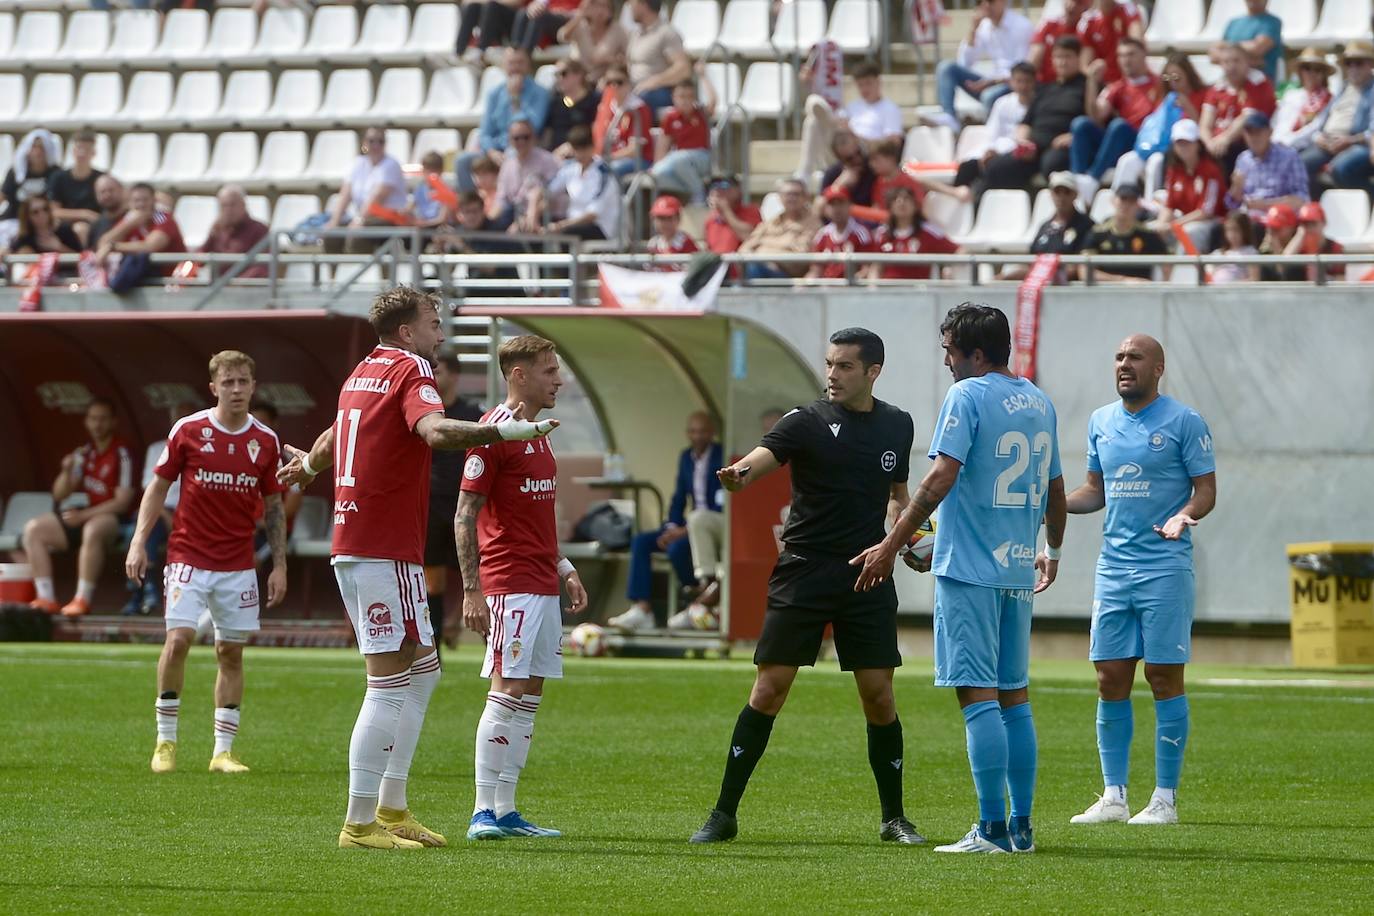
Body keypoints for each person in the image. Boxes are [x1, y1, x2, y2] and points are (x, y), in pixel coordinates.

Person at [277, 287, 559, 850]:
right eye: (434, 322)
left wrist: (308, 465)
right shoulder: (412, 369)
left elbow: (338, 435)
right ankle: (360, 824)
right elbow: (433, 431)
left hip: (359, 542)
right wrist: (498, 431)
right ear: (407, 331)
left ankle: (393, 806)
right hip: (382, 545)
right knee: (387, 684)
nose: (442, 332)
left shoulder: (361, 372)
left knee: (424, 670)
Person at [689, 328, 922, 847]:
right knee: (769, 690)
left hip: (868, 572)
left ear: (872, 372)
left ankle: (894, 818)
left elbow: (898, 495)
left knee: (879, 697)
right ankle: (723, 813)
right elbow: (760, 459)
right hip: (804, 570)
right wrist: (739, 473)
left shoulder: (897, 425)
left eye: (843, 366)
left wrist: (911, 538)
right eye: (829, 364)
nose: (832, 375)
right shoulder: (806, 420)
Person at [851, 304, 1065, 855]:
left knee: (978, 698)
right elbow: (1056, 491)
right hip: (1017, 566)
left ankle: (991, 829)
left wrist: (890, 543)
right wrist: (1052, 551)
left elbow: (941, 475)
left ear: (974, 352)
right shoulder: (1038, 401)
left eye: (949, 349)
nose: (944, 360)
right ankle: (1021, 828)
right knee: (1014, 697)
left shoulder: (966, 395)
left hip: (970, 570)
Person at [1065, 334, 1216, 827]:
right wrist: (1051, 502)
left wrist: (1184, 516)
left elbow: (1206, 491)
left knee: (1163, 676)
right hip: (1113, 568)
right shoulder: (1101, 421)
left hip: (1165, 567)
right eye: (1119, 357)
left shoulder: (1184, 421)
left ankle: (1165, 799)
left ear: (1158, 368)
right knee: (1110, 676)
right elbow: (1094, 492)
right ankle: (1114, 796)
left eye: (1134, 358)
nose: (1124, 365)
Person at [125, 351, 288, 776]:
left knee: (229, 652)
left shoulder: (265, 441)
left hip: (238, 565)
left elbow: (274, 507)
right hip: (188, 557)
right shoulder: (189, 431)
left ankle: (223, 751)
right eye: (228, 382)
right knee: (178, 640)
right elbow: (157, 489)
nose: (237, 389)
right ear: (214, 387)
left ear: (254, 386)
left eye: (244, 382)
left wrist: (280, 565)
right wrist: (139, 542)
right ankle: (165, 741)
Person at [456, 335, 587, 840]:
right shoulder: (492, 433)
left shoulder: (540, 433)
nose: (559, 379)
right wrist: (473, 590)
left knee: (529, 692)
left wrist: (564, 565)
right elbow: (465, 515)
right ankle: (480, 812)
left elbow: (533, 513)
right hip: (508, 581)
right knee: (506, 688)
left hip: (540, 579)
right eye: (550, 370)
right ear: (519, 375)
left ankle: (506, 810)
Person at [22, 398, 135, 617]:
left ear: (113, 422)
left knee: (94, 527)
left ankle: (82, 599)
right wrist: (66, 471)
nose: (97, 424)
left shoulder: (122, 452)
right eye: (93, 419)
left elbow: (122, 503)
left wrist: (82, 515)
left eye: (103, 419)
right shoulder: (85, 453)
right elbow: (60, 493)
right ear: (86, 422)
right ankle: (46, 598)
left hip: (117, 520)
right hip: (88, 514)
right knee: (34, 529)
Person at [608, 411, 721, 632]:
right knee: (641, 541)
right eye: (693, 431)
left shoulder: (722, 456)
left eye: (703, 431)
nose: (698, 436)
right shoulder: (686, 457)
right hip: (687, 524)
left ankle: (696, 604)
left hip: (709, 527)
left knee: (677, 549)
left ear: (712, 433)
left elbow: (722, 504)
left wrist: (684, 531)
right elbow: (679, 498)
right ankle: (642, 609)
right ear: (687, 433)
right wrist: (671, 527)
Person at [424, 353, 484, 655]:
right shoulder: (426, 413)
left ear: (456, 375)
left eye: (440, 371)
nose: (434, 376)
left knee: (476, 572)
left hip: (467, 505)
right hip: (431, 506)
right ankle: (433, 652)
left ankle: (485, 643)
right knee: (432, 580)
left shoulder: (472, 413)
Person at [982, 36, 1088, 192]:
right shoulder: (1044, 89)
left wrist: (1075, 136)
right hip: (1034, 147)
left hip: (1061, 147)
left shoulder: (1087, 87)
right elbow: (1025, 123)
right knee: (996, 167)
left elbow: (1095, 122)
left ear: (1078, 58)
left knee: (1052, 165)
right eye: (1058, 57)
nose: (1063, 62)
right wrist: (1023, 142)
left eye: (1068, 56)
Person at [1071, 37, 1162, 200]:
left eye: (1131, 54)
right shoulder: (1117, 86)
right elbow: (1096, 115)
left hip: (1142, 142)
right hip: (1120, 144)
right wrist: (1091, 82)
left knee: (1118, 126)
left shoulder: (1159, 84)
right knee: (1081, 124)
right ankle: (1078, 181)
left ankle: (1092, 178)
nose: (1126, 60)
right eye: (1121, 56)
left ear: (1144, 54)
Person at [1110, 54, 1210, 200]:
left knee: (1155, 162)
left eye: (1177, 78)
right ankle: (1118, 203)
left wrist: (1187, 106)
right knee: (1127, 161)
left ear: (1188, 75)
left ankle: (1151, 204)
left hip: (1179, 147)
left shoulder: (1202, 95)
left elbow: (1202, 125)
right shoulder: (1164, 98)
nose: (1173, 83)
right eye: (1168, 78)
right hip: (1155, 145)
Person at [458, 49, 552, 194]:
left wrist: (515, 100)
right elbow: (485, 132)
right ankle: (474, 206)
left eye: (520, 63)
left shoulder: (540, 93)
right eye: (511, 63)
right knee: (463, 161)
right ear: (503, 66)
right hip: (496, 151)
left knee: (512, 156)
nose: (515, 68)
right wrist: (492, 152)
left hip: (521, 148)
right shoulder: (494, 94)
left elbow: (533, 127)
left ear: (528, 65)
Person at [931, 0, 1033, 133]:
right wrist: (973, 30)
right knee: (946, 68)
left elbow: (1022, 71)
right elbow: (964, 63)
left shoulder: (1022, 26)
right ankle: (950, 117)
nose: (985, 5)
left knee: (988, 95)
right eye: (980, 1)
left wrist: (991, 82)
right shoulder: (984, 26)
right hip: (991, 83)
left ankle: (991, 135)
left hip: (1013, 84)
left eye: (990, 1)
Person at [798, 62, 904, 179]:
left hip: (866, 151)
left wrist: (857, 137)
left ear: (878, 82)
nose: (864, 89)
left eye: (868, 84)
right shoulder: (853, 106)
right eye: (860, 85)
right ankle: (805, 172)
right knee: (813, 122)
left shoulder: (890, 109)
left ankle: (805, 173)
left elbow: (893, 143)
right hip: (841, 145)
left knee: (818, 113)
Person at [949, 63, 1038, 200]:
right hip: (997, 148)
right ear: (1012, 82)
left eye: (1027, 81)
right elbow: (992, 133)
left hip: (1017, 155)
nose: (1023, 86)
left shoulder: (1039, 105)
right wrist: (990, 150)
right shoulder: (1002, 103)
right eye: (1019, 81)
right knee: (967, 167)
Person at [1300, 42, 1374, 191]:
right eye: (1348, 63)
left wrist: (1350, 140)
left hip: (1357, 143)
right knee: (1299, 164)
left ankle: (1367, 204)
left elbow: (1372, 132)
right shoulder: (1344, 87)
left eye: (1358, 63)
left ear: (1370, 65)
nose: (1352, 68)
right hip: (1328, 142)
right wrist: (1318, 136)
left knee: (1339, 169)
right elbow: (1323, 120)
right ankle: (1318, 209)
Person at [529, 125, 621, 241]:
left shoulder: (604, 174)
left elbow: (592, 215)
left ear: (592, 147)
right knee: (537, 229)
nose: (579, 154)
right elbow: (548, 192)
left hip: (601, 228)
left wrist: (560, 226)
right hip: (572, 224)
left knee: (565, 233)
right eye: (576, 149)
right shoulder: (570, 170)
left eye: (583, 149)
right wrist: (533, 216)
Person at [323, 128, 407, 255]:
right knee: (332, 236)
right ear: (364, 143)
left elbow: (377, 198)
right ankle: (336, 274)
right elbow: (345, 195)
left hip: (387, 219)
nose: (376, 145)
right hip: (365, 219)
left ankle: (360, 273)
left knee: (357, 237)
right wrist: (334, 221)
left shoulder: (391, 164)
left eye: (381, 141)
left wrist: (359, 220)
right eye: (372, 141)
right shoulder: (358, 163)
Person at [1150, 120, 1226, 255]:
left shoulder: (1210, 171)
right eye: (1179, 143)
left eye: (1188, 142)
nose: (1183, 147)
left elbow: (1206, 211)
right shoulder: (1174, 170)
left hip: (1211, 222)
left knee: (1189, 232)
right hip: (1184, 219)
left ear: (1197, 143)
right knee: (1151, 229)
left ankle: (1184, 273)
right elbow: (1169, 205)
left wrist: (1175, 225)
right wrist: (1162, 224)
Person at [1199, 44, 1277, 174]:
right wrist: (1209, 143)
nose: (1231, 66)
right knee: (1179, 150)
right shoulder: (1217, 88)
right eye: (1226, 62)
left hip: (1244, 141)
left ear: (1247, 62)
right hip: (1216, 143)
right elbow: (1205, 123)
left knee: (1227, 153)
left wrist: (1224, 139)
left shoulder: (1258, 83)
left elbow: (1246, 117)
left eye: (1236, 61)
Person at [1001, 171, 1094, 280]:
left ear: (1075, 194)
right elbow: (1031, 258)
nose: (1061, 197)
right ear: (1051, 194)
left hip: (1066, 285)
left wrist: (1047, 276)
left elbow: (1080, 265)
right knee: (1005, 275)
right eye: (1057, 191)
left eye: (1067, 192)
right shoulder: (1044, 226)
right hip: (1038, 281)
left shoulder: (1086, 225)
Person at [92, 182, 187, 284]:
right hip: (144, 281)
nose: (141, 204)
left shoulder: (164, 218)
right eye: (136, 200)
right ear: (129, 203)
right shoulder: (130, 220)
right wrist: (129, 225)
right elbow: (102, 243)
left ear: (154, 201)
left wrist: (112, 247)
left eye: (145, 200)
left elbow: (150, 246)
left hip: (173, 280)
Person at [1226, 113, 1309, 224]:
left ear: (1270, 132)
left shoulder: (1289, 157)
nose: (1254, 138)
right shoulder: (1243, 160)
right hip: (1248, 218)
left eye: (1258, 132)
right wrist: (1236, 189)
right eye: (1250, 133)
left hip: (1280, 219)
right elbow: (1232, 204)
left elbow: (1301, 200)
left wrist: (1264, 205)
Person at [865, 186, 958, 282]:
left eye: (906, 199)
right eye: (895, 199)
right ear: (890, 207)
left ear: (915, 205)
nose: (901, 202)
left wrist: (949, 267)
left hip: (918, 291)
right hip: (887, 291)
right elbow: (876, 267)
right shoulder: (882, 234)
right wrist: (872, 288)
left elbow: (959, 250)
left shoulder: (929, 232)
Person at [736, 178, 821, 281]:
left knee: (754, 268)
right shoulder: (771, 222)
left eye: (796, 194)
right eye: (787, 194)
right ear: (780, 198)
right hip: (761, 269)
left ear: (805, 197)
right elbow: (744, 249)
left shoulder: (813, 224)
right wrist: (771, 258)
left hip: (789, 278)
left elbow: (799, 258)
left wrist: (763, 245)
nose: (791, 198)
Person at [1084, 184, 1168, 282]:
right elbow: (1084, 271)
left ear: (1138, 205)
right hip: (1105, 292)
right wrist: (1122, 280)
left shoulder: (1148, 235)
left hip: (1140, 293)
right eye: (1123, 199)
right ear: (1113, 201)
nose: (1127, 205)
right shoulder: (1098, 233)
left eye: (1132, 201)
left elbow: (1167, 264)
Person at [651, 76, 715, 203]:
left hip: (701, 157)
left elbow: (713, 101)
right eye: (681, 96)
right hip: (679, 161)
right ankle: (696, 190)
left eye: (689, 96)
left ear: (695, 98)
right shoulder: (670, 118)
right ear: (673, 98)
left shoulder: (701, 112)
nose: (685, 101)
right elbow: (662, 146)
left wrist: (703, 77)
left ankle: (698, 194)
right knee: (658, 173)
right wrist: (656, 165)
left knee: (679, 158)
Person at [626, 0, 692, 112]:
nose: (629, 6)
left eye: (632, 2)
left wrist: (654, 81)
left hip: (657, 92)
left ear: (643, 4)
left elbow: (683, 69)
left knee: (637, 101)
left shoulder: (666, 33)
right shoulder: (635, 34)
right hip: (634, 88)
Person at [495, 117, 559, 229]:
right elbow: (502, 200)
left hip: (544, 217)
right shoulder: (507, 165)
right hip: (515, 215)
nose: (521, 141)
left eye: (526, 137)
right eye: (516, 138)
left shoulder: (547, 160)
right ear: (510, 140)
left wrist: (526, 218)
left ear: (533, 137)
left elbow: (553, 196)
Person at [1272, 47, 1336, 154]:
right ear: (1300, 71)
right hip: (1277, 145)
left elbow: (1315, 128)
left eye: (1317, 69)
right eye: (1307, 68)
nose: (1312, 73)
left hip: (1302, 148)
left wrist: (1287, 142)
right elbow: (1276, 123)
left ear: (1324, 74)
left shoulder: (1329, 99)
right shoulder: (1290, 95)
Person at [1262, 201, 1345, 282]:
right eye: (1305, 224)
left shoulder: (1335, 247)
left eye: (1313, 223)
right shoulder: (1299, 246)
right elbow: (1284, 263)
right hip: (1301, 292)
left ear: (1324, 223)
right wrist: (1300, 234)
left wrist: (1326, 280)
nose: (1309, 228)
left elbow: (1344, 278)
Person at [596, 66, 654, 179]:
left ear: (628, 84)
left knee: (605, 171)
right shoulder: (605, 108)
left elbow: (634, 151)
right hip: (610, 158)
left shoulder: (638, 109)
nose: (614, 86)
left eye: (619, 82)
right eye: (609, 82)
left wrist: (607, 158)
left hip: (638, 160)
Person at [805, 186, 873, 281]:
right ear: (826, 208)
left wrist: (848, 283)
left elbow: (867, 270)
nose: (837, 209)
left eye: (840, 203)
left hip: (852, 288)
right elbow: (816, 270)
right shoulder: (822, 235)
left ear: (849, 205)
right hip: (825, 287)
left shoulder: (861, 234)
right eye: (832, 204)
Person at [201, 184, 269, 279]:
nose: (228, 210)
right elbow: (200, 256)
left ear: (243, 204)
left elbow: (261, 268)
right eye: (224, 205)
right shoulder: (217, 229)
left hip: (245, 290)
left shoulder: (260, 230)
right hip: (218, 289)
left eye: (232, 204)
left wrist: (234, 284)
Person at [49, 130, 104, 246]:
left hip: (96, 224)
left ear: (93, 153)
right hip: (64, 224)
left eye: (87, 149)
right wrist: (85, 214)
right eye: (79, 148)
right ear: (73, 151)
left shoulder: (101, 179)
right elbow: (54, 211)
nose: (82, 153)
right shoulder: (58, 177)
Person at [557, 0, 628, 86]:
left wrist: (610, 59)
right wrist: (580, 14)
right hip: (577, 80)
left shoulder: (618, 30)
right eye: (597, 6)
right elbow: (562, 37)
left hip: (603, 81)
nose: (600, 10)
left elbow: (627, 56)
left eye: (605, 7)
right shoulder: (581, 26)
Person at [1076, 0, 1145, 87]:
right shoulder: (1087, 21)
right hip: (1104, 84)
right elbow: (1085, 65)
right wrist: (1094, 71)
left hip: (1130, 80)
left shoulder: (1127, 8)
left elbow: (1137, 43)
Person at [1211, 0, 1283, 82]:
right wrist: (1250, 59)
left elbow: (1257, 48)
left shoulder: (1272, 22)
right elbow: (1214, 55)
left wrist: (1227, 50)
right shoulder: (1233, 23)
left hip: (1259, 85)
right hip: (1231, 87)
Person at [0, 128, 60, 225]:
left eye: (42, 148)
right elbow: (3, 196)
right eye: (34, 147)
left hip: (44, 222)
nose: (38, 152)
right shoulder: (16, 171)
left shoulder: (56, 173)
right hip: (14, 218)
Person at [703, 174, 762, 268]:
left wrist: (726, 211)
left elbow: (750, 237)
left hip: (741, 274)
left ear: (738, 190)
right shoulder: (711, 219)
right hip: (716, 271)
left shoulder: (751, 211)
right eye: (714, 186)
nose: (717, 189)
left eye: (724, 185)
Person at [542, 60, 601, 154]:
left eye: (563, 73)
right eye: (556, 75)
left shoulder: (594, 100)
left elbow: (597, 130)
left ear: (579, 75)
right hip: (556, 155)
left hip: (584, 153)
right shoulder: (554, 102)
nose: (559, 78)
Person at [1028, 0, 1087, 85]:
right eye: (1069, 1)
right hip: (1044, 83)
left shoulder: (1085, 30)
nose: (1072, 6)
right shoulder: (1049, 25)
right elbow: (1035, 56)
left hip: (1073, 85)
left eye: (1078, 3)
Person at [816, 131, 877, 209]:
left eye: (858, 153)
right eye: (849, 158)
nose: (857, 159)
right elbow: (817, 208)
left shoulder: (873, 166)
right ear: (840, 158)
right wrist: (838, 186)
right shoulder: (833, 173)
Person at [11, 195, 81, 259]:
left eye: (45, 209)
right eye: (35, 212)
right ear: (27, 216)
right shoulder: (25, 237)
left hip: (66, 272)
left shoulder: (64, 230)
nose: (42, 214)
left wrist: (60, 247)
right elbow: (10, 252)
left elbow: (81, 258)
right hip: (37, 272)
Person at [454, 0, 526, 59]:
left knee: (491, 6)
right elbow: (466, 2)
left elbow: (516, 2)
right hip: (491, 17)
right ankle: (458, 52)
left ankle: (480, 51)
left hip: (515, 22)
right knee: (473, 7)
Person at [643, 194, 699, 267]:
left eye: (669, 218)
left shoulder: (685, 242)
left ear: (678, 219)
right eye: (661, 218)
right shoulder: (653, 243)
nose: (665, 223)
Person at [1207, 210, 1260, 283]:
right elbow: (1207, 275)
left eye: (1236, 230)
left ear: (1244, 231)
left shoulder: (1250, 252)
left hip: (1237, 292)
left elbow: (1254, 279)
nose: (1232, 234)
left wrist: (1232, 284)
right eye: (1228, 230)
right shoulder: (1218, 253)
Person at [512, 0, 581, 52]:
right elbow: (538, 3)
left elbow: (585, 11)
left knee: (540, 17)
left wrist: (567, 13)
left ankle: (526, 54)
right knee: (523, 12)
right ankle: (515, 50)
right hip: (550, 16)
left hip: (570, 23)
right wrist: (533, 8)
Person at [411, 152, 454, 232]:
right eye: (427, 170)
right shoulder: (420, 189)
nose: (430, 174)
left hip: (438, 229)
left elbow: (442, 219)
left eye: (434, 170)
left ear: (441, 171)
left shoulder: (447, 192)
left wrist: (422, 224)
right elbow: (410, 208)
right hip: (422, 228)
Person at [86, 175, 127, 253]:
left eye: (111, 190)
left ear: (122, 190)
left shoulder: (134, 217)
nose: (107, 195)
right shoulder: (96, 225)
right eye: (102, 192)